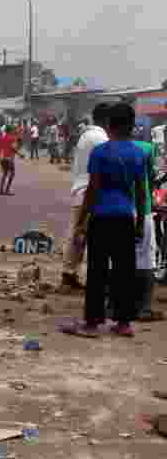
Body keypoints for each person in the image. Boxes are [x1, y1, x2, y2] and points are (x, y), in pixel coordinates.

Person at [63, 103, 145, 338]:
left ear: (109, 125)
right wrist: (139, 224)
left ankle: (92, 323)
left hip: (101, 216)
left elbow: (93, 190)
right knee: (124, 271)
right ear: (131, 126)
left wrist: (81, 222)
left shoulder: (100, 152)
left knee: (97, 271)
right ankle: (124, 322)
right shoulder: (138, 153)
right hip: (126, 217)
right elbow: (141, 193)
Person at [62, 104, 111, 290]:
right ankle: (87, 278)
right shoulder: (100, 138)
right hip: (91, 193)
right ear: (107, 120)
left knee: (77, 234)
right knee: (91, 238)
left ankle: (69, 273)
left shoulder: (86, 135)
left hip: (80, 190)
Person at [131, 132, 163, 321]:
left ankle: (113, 305)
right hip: (143, 209)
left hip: (116, 210)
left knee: (116, 258)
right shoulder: (147, 148)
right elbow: (150, 180)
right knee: (146, 259)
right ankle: (144, 308)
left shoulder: (105, 149)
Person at [0, 124, 24, 195]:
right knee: (12, 174)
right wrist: (20, 154)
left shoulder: (1, 138)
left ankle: (1, 190)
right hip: (9, 158)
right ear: (11, 130)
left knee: (5, 173)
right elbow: (13, 148)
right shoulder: (12, 138)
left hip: (2, 158)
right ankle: (7, 190)